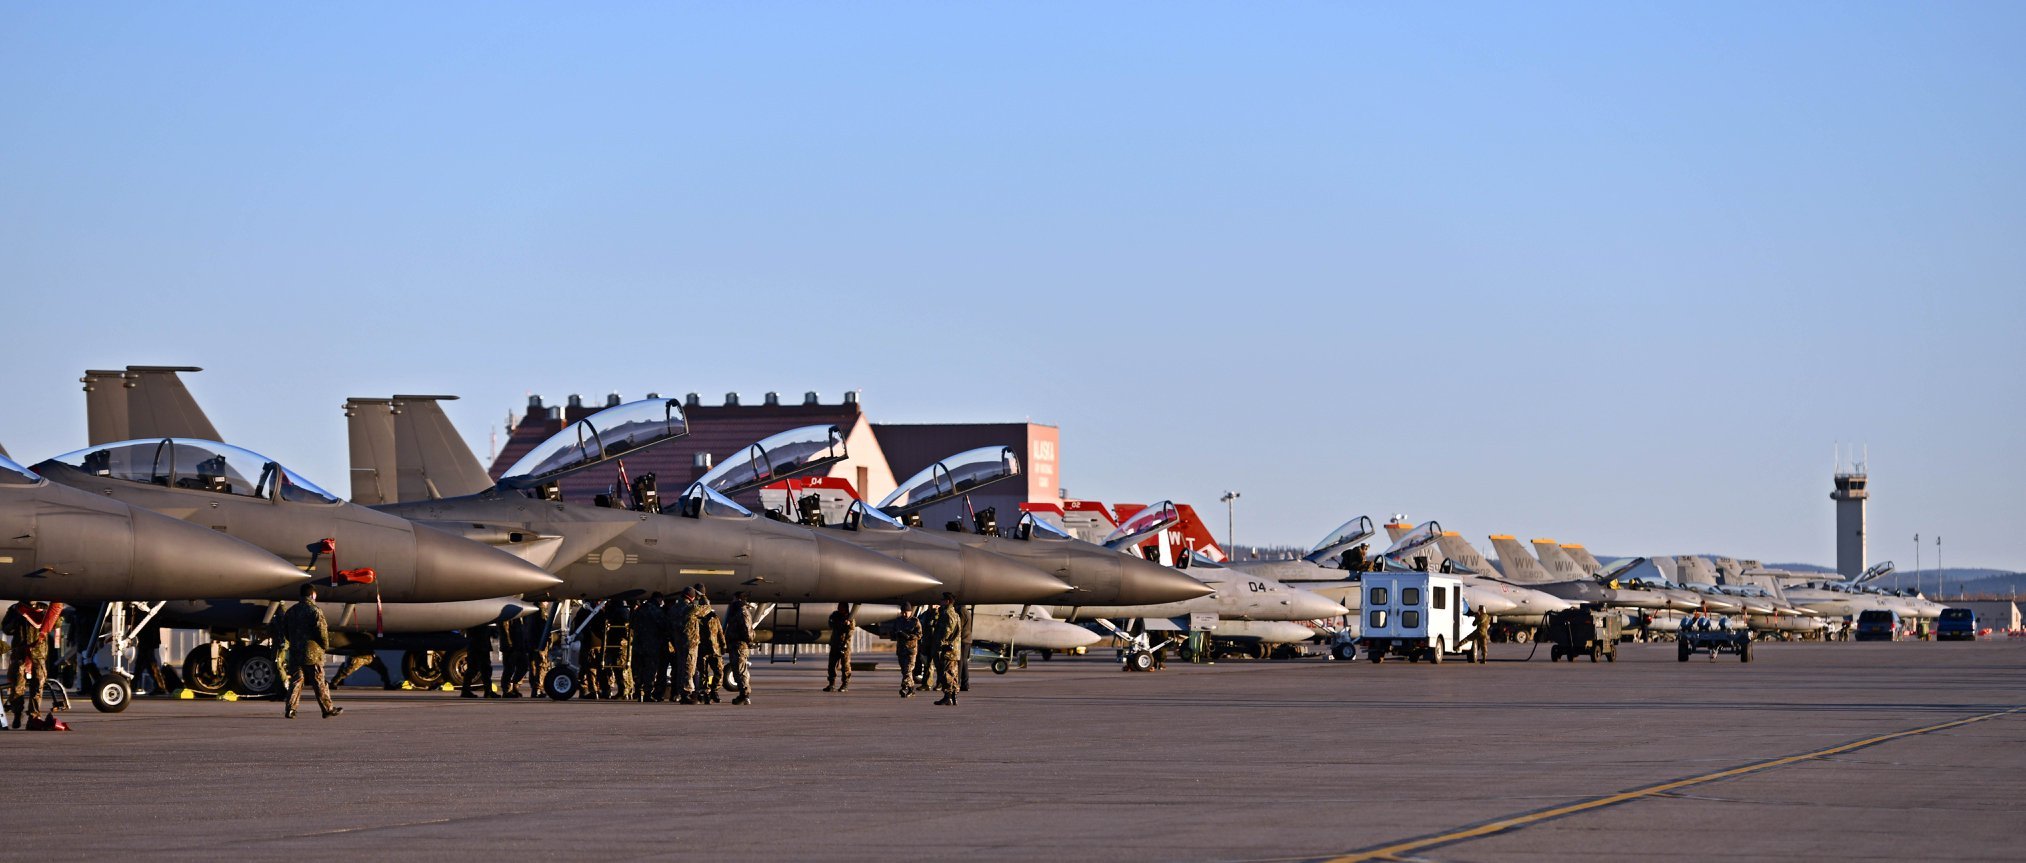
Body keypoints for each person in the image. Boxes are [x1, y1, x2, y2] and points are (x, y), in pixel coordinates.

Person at [283, 585, 341, 719]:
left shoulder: (291, 611)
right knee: (319, 681)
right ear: (313, 595)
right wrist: (325, 646)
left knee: (296, 681)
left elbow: (286, 631)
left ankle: (291, 709)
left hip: (295, 653)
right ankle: (327, 709)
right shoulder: (315, 610)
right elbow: (322, 632)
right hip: (312, 653)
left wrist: (294, 642)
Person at [4, 600, 60, 728]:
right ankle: (17, 713)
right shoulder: (16, 609)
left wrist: (48, 616)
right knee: (17, 686)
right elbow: (6, 628)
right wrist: (16, 620)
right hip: (20, 653)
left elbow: (56, 623)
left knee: (38, 685)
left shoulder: (44, 608)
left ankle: (33, 716)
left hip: (38, 654)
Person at [631, 593, 666, 701]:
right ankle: (647, 693)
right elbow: (664, 626)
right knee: (650, 669)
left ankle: (638, 692)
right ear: (659, 599)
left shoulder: (639, 610)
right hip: (651, 645)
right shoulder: (657, 611)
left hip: (638, 644)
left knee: (639, 668)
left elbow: (631, 624)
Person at [673, 586, 705, 704]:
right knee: (689, 667)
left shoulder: (675, 608)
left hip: (679, 641)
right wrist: (704, 597)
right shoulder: (690, 608)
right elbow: (706, 609)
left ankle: (681, 692)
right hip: (690, 643)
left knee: (681, 667)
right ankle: (687, 694)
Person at [724, 591, 755, 705]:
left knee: (741, 671)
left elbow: (747, 630)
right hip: (735, 645)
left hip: (739, 646)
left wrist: (747, 640)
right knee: (738, 671)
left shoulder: (742, 612)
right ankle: (743, 694)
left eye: (733, 598)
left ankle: (745, 695)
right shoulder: (737, 611)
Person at [932, 594, 963, 706]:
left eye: (942, 600)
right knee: (952, 673)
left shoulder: (947, 614)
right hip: (954, 649)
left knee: (946, 673)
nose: (940, 601)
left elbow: (947, 631)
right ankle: (953, 696)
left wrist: (941, 644)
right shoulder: (955, 614)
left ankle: (948, 697)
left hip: (947, 649)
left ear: (947, 601)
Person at [889, 600, 922, 698]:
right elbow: (892, 632)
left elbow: (919, 634)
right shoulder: (898, 621)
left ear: (910, 612)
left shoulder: (915, 621)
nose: (904, 614)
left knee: (908, 670)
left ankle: (904, 687)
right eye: (903, 612)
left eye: (906, 612)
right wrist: (896, 634)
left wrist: (909, 636)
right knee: (904, 671)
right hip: (901, 650)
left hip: (911, 650)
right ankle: (911, 689)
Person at [330, 649, 399, 691]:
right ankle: (334, 683)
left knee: (383, 669)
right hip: (359, 657)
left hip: (370, 656)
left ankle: (387, 684)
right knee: (347, 671)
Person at [461, 622, 498, 699]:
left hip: (477, 646)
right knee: (482, 669)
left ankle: (467, 690)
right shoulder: (479, 620)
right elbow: (483, 631)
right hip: (480, 646)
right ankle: (487, 691)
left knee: (477, 669)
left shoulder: (473, 621)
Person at [824, 602, 854, 692]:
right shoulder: (835, 615)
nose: (839, 608)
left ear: (845, 608)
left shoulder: (849, 617)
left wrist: (847, 624)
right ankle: (831, 684)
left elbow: (851, 631)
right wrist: (833, 621)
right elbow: (830, 623)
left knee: (845, 665)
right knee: (832, 665)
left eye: (841, 606)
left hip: (844, 644)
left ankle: (845, 684)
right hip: (835, 643)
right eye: (839, 606)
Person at [699, 607, 726, 703]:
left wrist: (723, 646)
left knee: (719, 672)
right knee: (702, 673)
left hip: (715, 650)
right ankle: (704, 692)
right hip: (702, 650)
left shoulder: (714, 618)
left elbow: (720, 633)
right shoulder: (698, 618)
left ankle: (714, 690)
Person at [916, 599, 942, 691]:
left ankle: (940, 683)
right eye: (931, 604)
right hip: (927, 642)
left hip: (936, 643)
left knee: (939, 665)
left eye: (935, 604)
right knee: (927, 664)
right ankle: (926, 684)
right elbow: (919, 625)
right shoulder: (925, 615)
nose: (933, 606)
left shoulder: (941, 615)